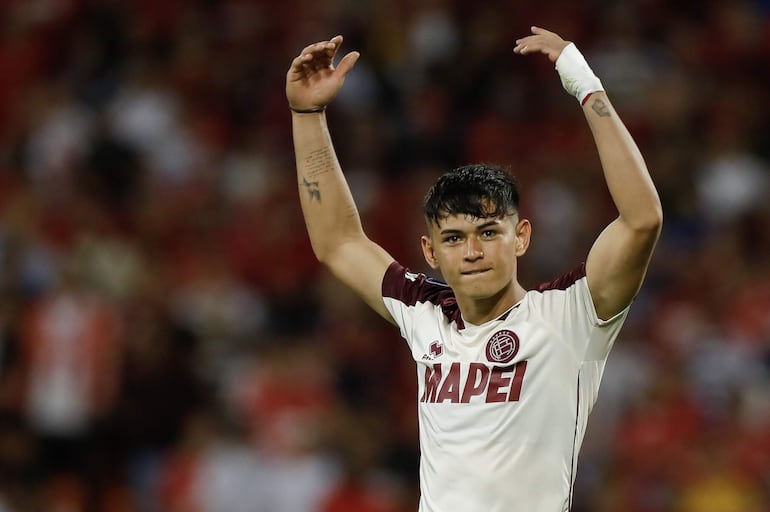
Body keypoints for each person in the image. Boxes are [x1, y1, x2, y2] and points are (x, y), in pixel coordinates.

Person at [286, 26, 662, 512]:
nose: (472, 251)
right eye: (454, 239)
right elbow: (337, 241)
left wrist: (581, 79)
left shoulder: (570, 315)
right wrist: (307, 113)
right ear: (431, 251)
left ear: (521, 237)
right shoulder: (424, 312)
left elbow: (642, 219)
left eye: (488, 232)